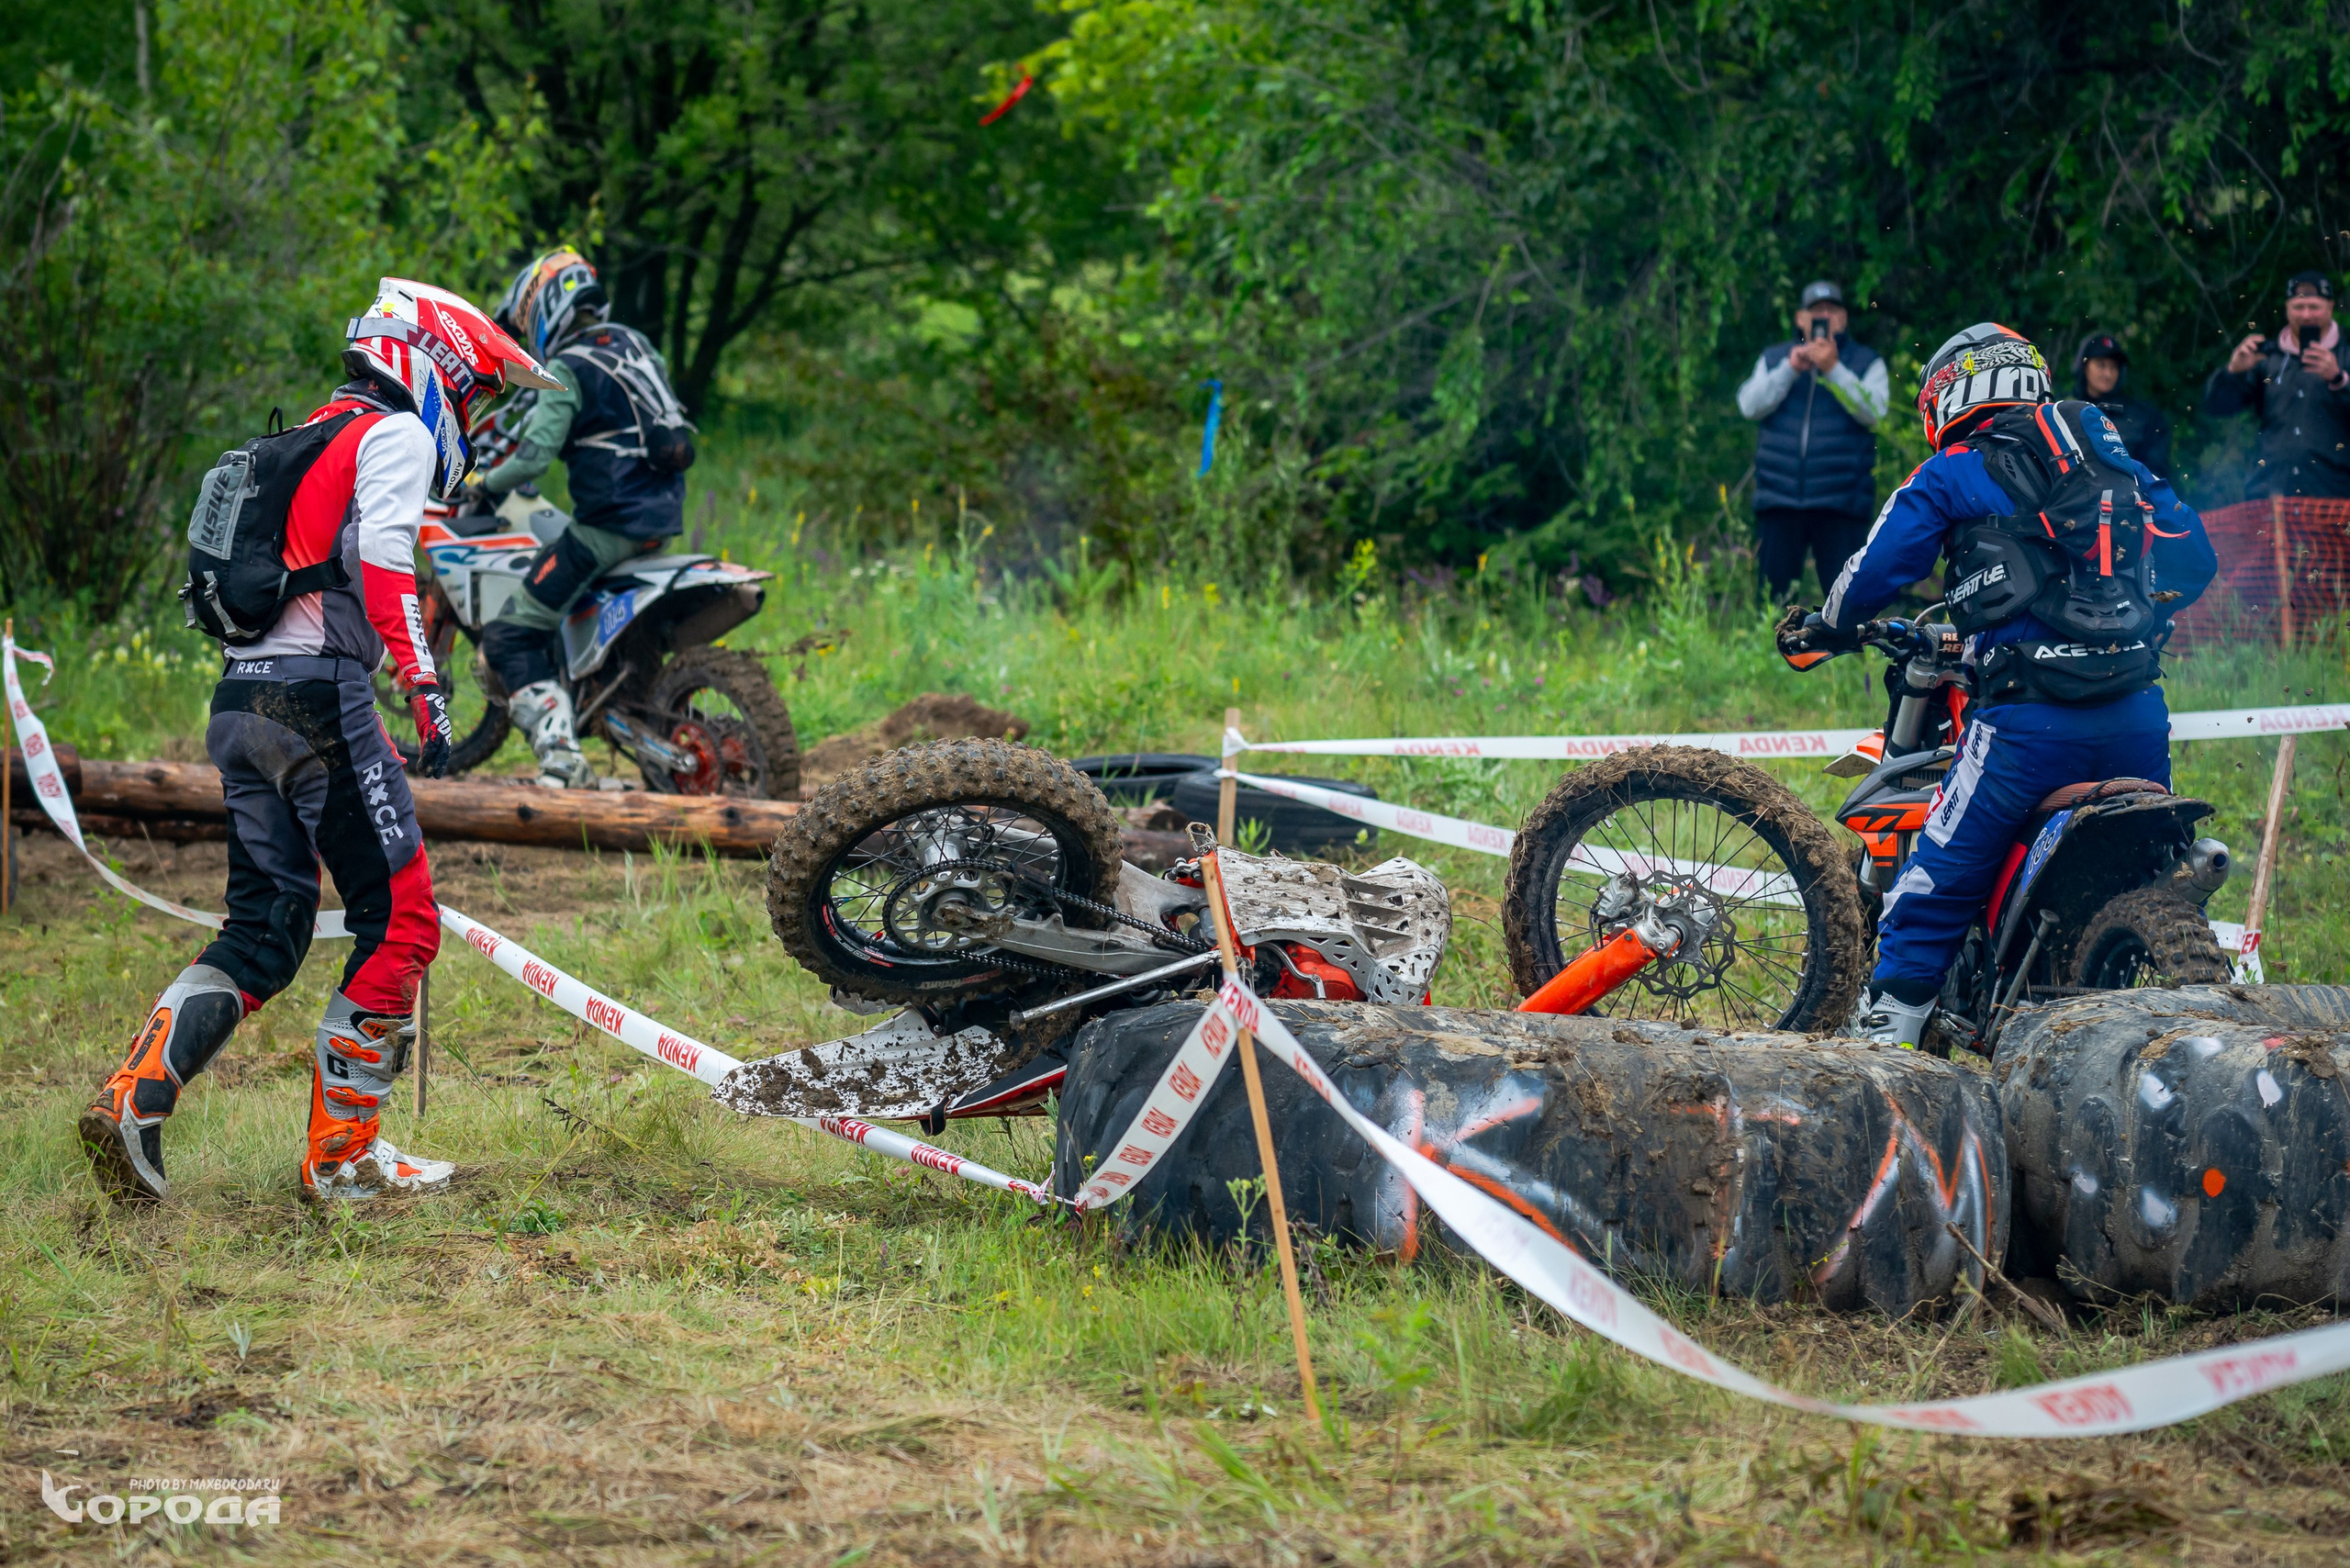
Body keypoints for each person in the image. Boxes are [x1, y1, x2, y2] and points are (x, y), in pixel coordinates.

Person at [80, 280, 559, 1204]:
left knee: (265, 928)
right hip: (314, 699)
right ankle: (342, 1157)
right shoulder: (396, 432)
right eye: (471, 393)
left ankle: (133, 1094)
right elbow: (384, 563)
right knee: (404, 919)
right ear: (435, 368)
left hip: (240, 702)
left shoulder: (296, 438)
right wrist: (424, 686)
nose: (467, 413)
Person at [1780, 323, 2217, 1047]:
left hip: (2026, 726)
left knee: (1937, 878)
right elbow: (2193, 559)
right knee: (2146, 873)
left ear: (1952, 393)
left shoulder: (1952, 470)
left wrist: (1826, 626)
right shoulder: (2110, 458)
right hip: (2140, 715)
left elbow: (1872, 573)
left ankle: (1885, 1037)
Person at [474, 247, 695, 787]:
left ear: (546, 307)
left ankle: (561, 760)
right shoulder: (635, 344)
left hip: (608, 528)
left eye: (526, 324)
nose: (527, 338)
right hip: (661, 518)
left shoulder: (567, 366)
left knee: (509, 635)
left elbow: (532, 457)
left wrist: (483, 481)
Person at [1737, 280, 1891, 602]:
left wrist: (1833, 369)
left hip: (1841, 502)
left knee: (1847, 601)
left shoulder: (1865, 361)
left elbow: (1875, 411)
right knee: (1773, 601)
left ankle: (1849, 652)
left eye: (1831, 310)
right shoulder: (1776, 358)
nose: (1824, 315)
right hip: (1779, 500)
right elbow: (1748, 405)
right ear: (1800, 319)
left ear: (1843, 318)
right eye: (1816, 311)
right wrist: (1789, 369)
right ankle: (1772, 652)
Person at [2204, 271, 2350, 498]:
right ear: (2287, 309)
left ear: (2330, 307)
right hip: (2270, 494)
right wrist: (2233, 372)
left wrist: (2338, 379)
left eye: (2314, 306)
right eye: (2298, 307)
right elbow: (2217, 407)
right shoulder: (2267, 357)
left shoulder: (2346, 354)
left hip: (2333, 496)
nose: (2306, 314)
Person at [2073, 332, 2172, 480]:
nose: (2108, 374)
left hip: (2128, 499)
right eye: (2101, 365)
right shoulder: (2066, 410)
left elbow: (2156, 474)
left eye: (2114, 367)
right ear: (2085, 367)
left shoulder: (2144, 417)